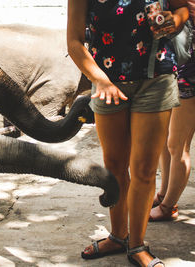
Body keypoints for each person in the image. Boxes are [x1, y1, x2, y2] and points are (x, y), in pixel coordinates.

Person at [67, 0, 189, 266]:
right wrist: (99, 80)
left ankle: (137, 245)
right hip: (106, 82)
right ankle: (118, 235)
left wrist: (174, 20)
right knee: (115, 166)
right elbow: (74, 42)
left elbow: (183, 8)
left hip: (155, 78)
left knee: (144, 169)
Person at [150, 1, 195, 221]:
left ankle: (168, 206)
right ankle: (164, 194)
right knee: (166, 140)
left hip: (190, 69)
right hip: (177, 65)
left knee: (177, 144)